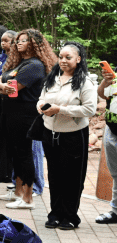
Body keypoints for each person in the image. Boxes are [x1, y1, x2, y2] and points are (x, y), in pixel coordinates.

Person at [37, 42, 96, 230]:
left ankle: (70, 216)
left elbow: (90, 109)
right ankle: (55, 214)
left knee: (72, 177)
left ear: (78, 59)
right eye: (61, 57)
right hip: (50, 133)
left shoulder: (85, 82)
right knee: (54, 176)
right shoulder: (52, 78)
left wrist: (60, 109)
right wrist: (40, 106)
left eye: (68, 57)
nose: (63, 61)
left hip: (73, 136)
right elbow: (41, 98)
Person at [0, 29, 57, 210]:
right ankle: (17, 192)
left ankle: (28, 197)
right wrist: (1, 84)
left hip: (24, 115)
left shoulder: (35, 65)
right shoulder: (21, 63)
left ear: (34, 43)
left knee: (24, 155)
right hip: (12, 113)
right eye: (18, 40)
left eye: (24, 40)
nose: (19, 43)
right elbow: (3, 83)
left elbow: (13, 89)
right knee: (16, 154)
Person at [0, 30, 17, 183]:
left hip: (9, 99)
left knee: (8, 135)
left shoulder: (16, 59)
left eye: (7, 40)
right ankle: (0, 171)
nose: (3, 43)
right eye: (2, 40)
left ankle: (10, 172)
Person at [96, 63, 117, 225]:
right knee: (116, 174)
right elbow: (102, 94)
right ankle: (115, 211)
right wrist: (106, 81)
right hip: (112, 130)